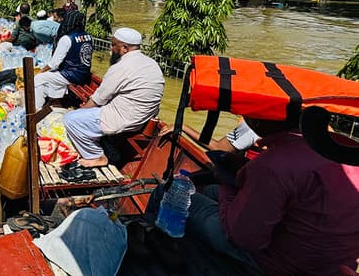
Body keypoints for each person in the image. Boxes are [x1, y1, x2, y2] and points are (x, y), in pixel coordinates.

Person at [149, 116, 359, 275]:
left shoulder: (274, 162)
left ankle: (147, 244)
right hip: (333, 260)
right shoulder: (345, 148)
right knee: (210, 191)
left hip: (279, 262)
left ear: (256, 121)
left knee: (167, 190)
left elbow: (245, 238)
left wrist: (227, 183)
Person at [63, 27, 164, 167]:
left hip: (125, 118)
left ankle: (97, 156)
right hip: (143, 118)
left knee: (71, 119)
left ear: (124, 48)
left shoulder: (121, 66)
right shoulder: (152, 64)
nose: (111, 49)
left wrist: (81, 111)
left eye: (113, 45)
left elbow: (99, 98)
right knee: (83, 116)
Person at [33, 10, 92, 110]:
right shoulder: (88, 36)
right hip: (84, 74)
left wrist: (40, 72)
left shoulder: (67, 39)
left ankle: (36, 110)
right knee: (47, 79)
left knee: (38, 79)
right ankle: (55, 102)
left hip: (70, 75)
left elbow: (54, 64)